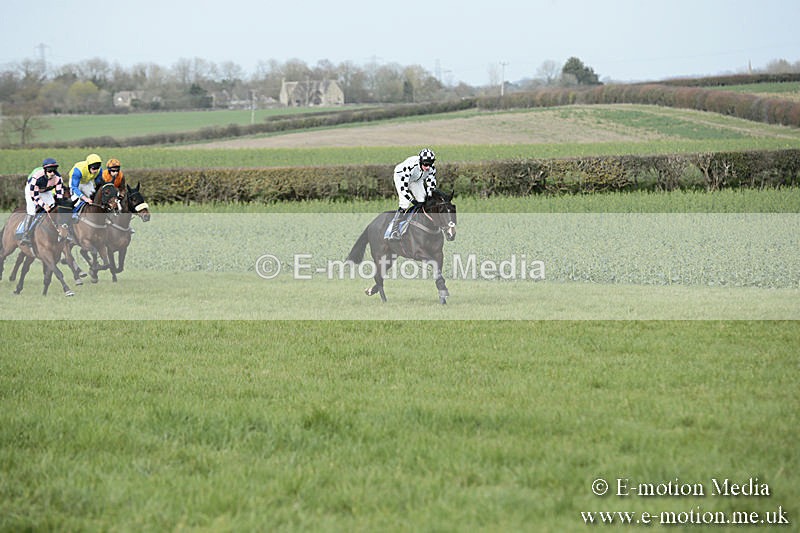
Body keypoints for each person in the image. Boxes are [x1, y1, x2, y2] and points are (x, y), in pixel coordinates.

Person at [387, 148, 437, 240]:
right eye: (425, 164)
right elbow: (403, 188)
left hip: (416, 180)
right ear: (421, 161)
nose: (428, 167)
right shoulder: (410, 165)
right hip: (401, 177)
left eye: (430, 164)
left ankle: (420, 225)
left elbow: (431, 185)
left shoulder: (431, 168)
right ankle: (394, 230)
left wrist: (429, 197)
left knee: (423, 200)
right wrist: (412, 200)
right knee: (405, 203)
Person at [20, 158, 66, 245]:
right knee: (32, 211)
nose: (52, 173)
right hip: (32, 191)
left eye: (54, 171)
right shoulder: (37, 177)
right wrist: (43, 205)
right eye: (50, 171)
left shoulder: (58, 178)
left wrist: (59, 205)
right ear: (45, 170)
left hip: (45, 190)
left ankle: (58, 230)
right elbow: (35, 196)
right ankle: (25, 235)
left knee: (53, 207)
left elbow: (60, 193)